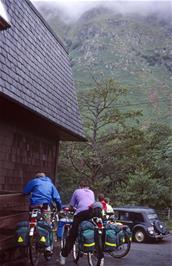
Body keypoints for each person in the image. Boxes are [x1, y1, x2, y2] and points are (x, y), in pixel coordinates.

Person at [23, 172, 62, 256]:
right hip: (45, 207)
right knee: (47, 225)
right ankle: (47, 248)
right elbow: (57, 198)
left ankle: (31, 237)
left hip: (34, 206)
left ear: (36, 177)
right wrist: (59, 208)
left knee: (33, 221)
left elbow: (25, 191)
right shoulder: (50, 184)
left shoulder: (34, 181)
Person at [59, 179, 95, 265]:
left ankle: (63, 256)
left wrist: (71, 209)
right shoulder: (92, 192)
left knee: (72, 235)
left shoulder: (77, 191)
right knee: (91, 230)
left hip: (80, 214)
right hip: (92, 213)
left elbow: (71, 205)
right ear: (88, 186)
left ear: (80, 186)